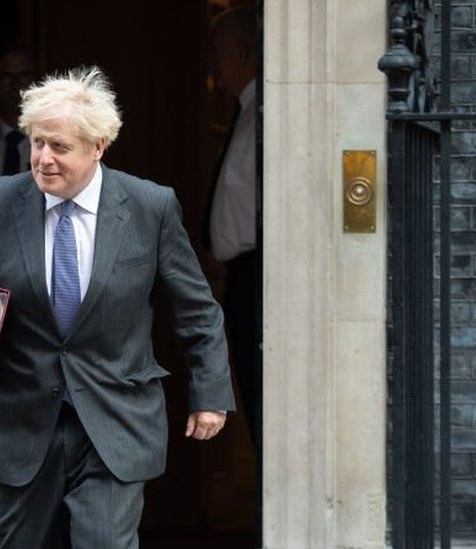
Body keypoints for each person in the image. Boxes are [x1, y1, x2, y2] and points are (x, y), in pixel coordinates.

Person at [0, 66, 235, 548]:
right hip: (15, 426)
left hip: (114, 419)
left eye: (60, 147)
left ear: (99, 146)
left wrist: (210, 392)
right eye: (37, 143)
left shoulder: (149, 208)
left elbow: (197, 309)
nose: (43, 159)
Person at [208, 5, 260, 453]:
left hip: (260, 277)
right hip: (241, 278)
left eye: (218, 54)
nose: (213, 68)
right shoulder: (245, 110)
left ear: (243, 52)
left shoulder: (266, 114)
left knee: (262, 402)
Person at [0, 44, 39, 177]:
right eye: (6, 76)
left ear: (37, 82)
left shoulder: (53, 138)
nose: (15, 84)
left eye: (24, 76)